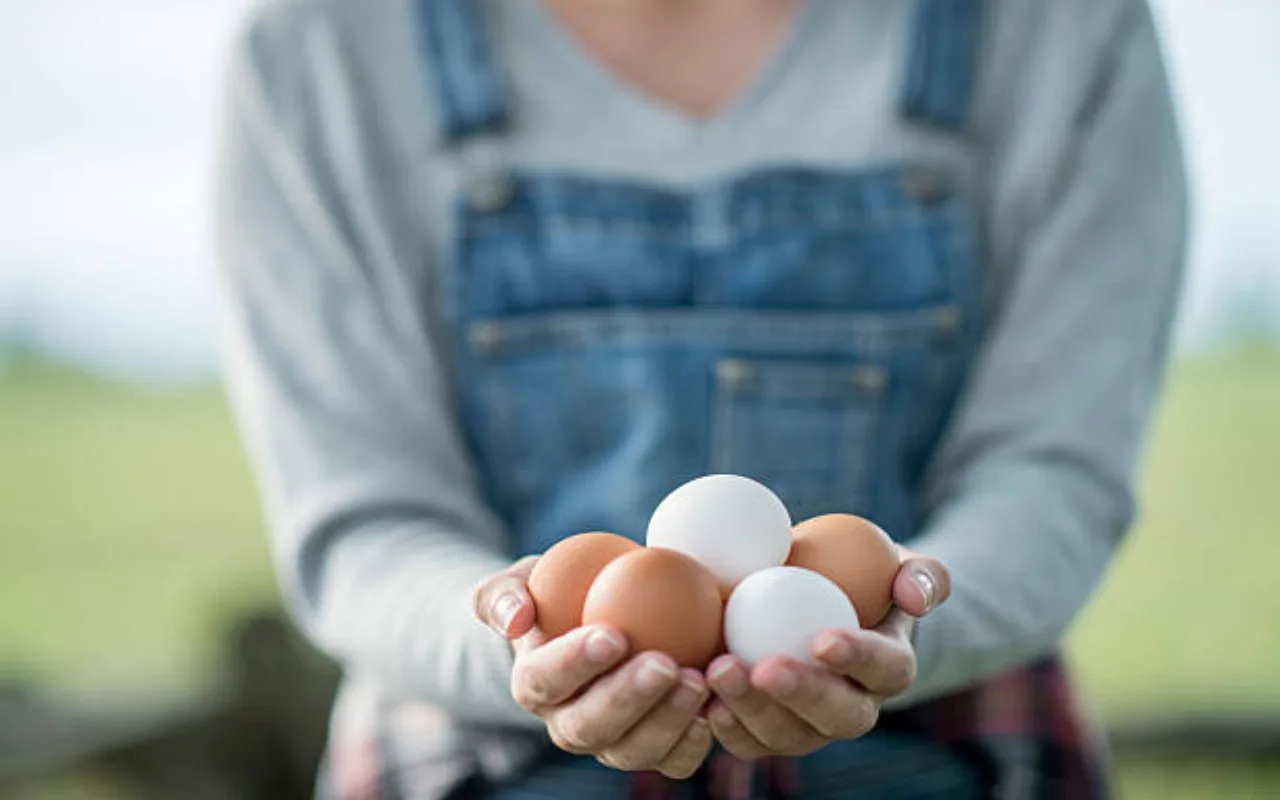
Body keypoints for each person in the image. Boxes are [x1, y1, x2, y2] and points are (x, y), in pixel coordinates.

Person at [214, 0, 1187, 797]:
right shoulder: (324, 51)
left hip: (948, 750)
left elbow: (1049, 466)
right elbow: (367, 519)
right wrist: (519, 641)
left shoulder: (1057, 31)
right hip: (478, 763)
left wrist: (903, 619)